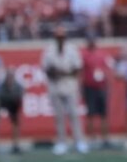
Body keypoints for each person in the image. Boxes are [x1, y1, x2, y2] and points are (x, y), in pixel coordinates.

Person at [41, 27, 88, 155]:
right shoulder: (49, 50)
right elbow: (47, 68)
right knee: (59, 116)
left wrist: (62, 72)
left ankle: (79, 141)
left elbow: (77, 68)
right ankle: (61, 142)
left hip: (70, 86)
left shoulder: (72, 49)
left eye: (62, 36)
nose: (60, 38)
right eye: (58, 36)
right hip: (55, 86)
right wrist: (60, 72)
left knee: (74, 115)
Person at [80, 37, 112, 148]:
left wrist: (108, 86)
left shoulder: (102, 55)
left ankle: (105, 138)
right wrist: (81, 88)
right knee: (90, 114)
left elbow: (107, 70)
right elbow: (81, 72)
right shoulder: (84, 56)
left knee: (104, 114)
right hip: (89, 87)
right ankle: (92, 138)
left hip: (101, 87)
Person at [0, 67, 24, 154]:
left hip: (13, 104)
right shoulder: (1, 86)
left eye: (11, 77)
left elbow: (19, 100)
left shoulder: (18, 86)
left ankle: (15, 144)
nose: (9, 79)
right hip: (2, 102)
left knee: (15, 121)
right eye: (8, 77)